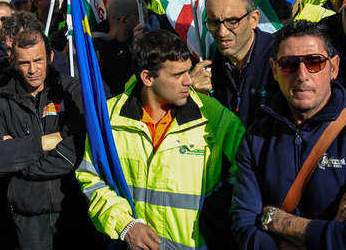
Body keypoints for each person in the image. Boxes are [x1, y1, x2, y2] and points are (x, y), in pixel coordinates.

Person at [231, 21, 346, 250]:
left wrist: (278, 222)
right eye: (288, 65)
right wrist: (331, 232)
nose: (302, 75)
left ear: (334, 67)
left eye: (314, 62)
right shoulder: (257, 137)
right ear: (274, 70)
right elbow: (245, 229)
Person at [76, 30, 245, 249]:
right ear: (147, 77)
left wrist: (213, 221)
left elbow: (245, 177)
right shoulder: (107, 119)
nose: (189, 80)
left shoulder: (216, 118)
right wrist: (125, 225)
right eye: (177, 75)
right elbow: (90, 178)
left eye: (187, 71)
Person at [0, 29, 100, 250]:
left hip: (75, 212)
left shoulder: (72, 92)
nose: (33, 70)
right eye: (24, 63)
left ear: (50, 58)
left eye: (38, 60)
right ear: (13, 61)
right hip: (28, 220)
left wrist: (15, 158)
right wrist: (43, 143)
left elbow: (74, 155)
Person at [205, 0, 277, 126]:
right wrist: (199, 98)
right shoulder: (210, 66)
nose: (222, 32)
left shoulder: (281, 61)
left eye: (232, 21)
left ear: (253, 19)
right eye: (213, 22)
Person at [92, 0, 142, 97]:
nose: (142, 19)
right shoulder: (96, 50)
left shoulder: (135, 42)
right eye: (138, 14)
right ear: (125, 20)